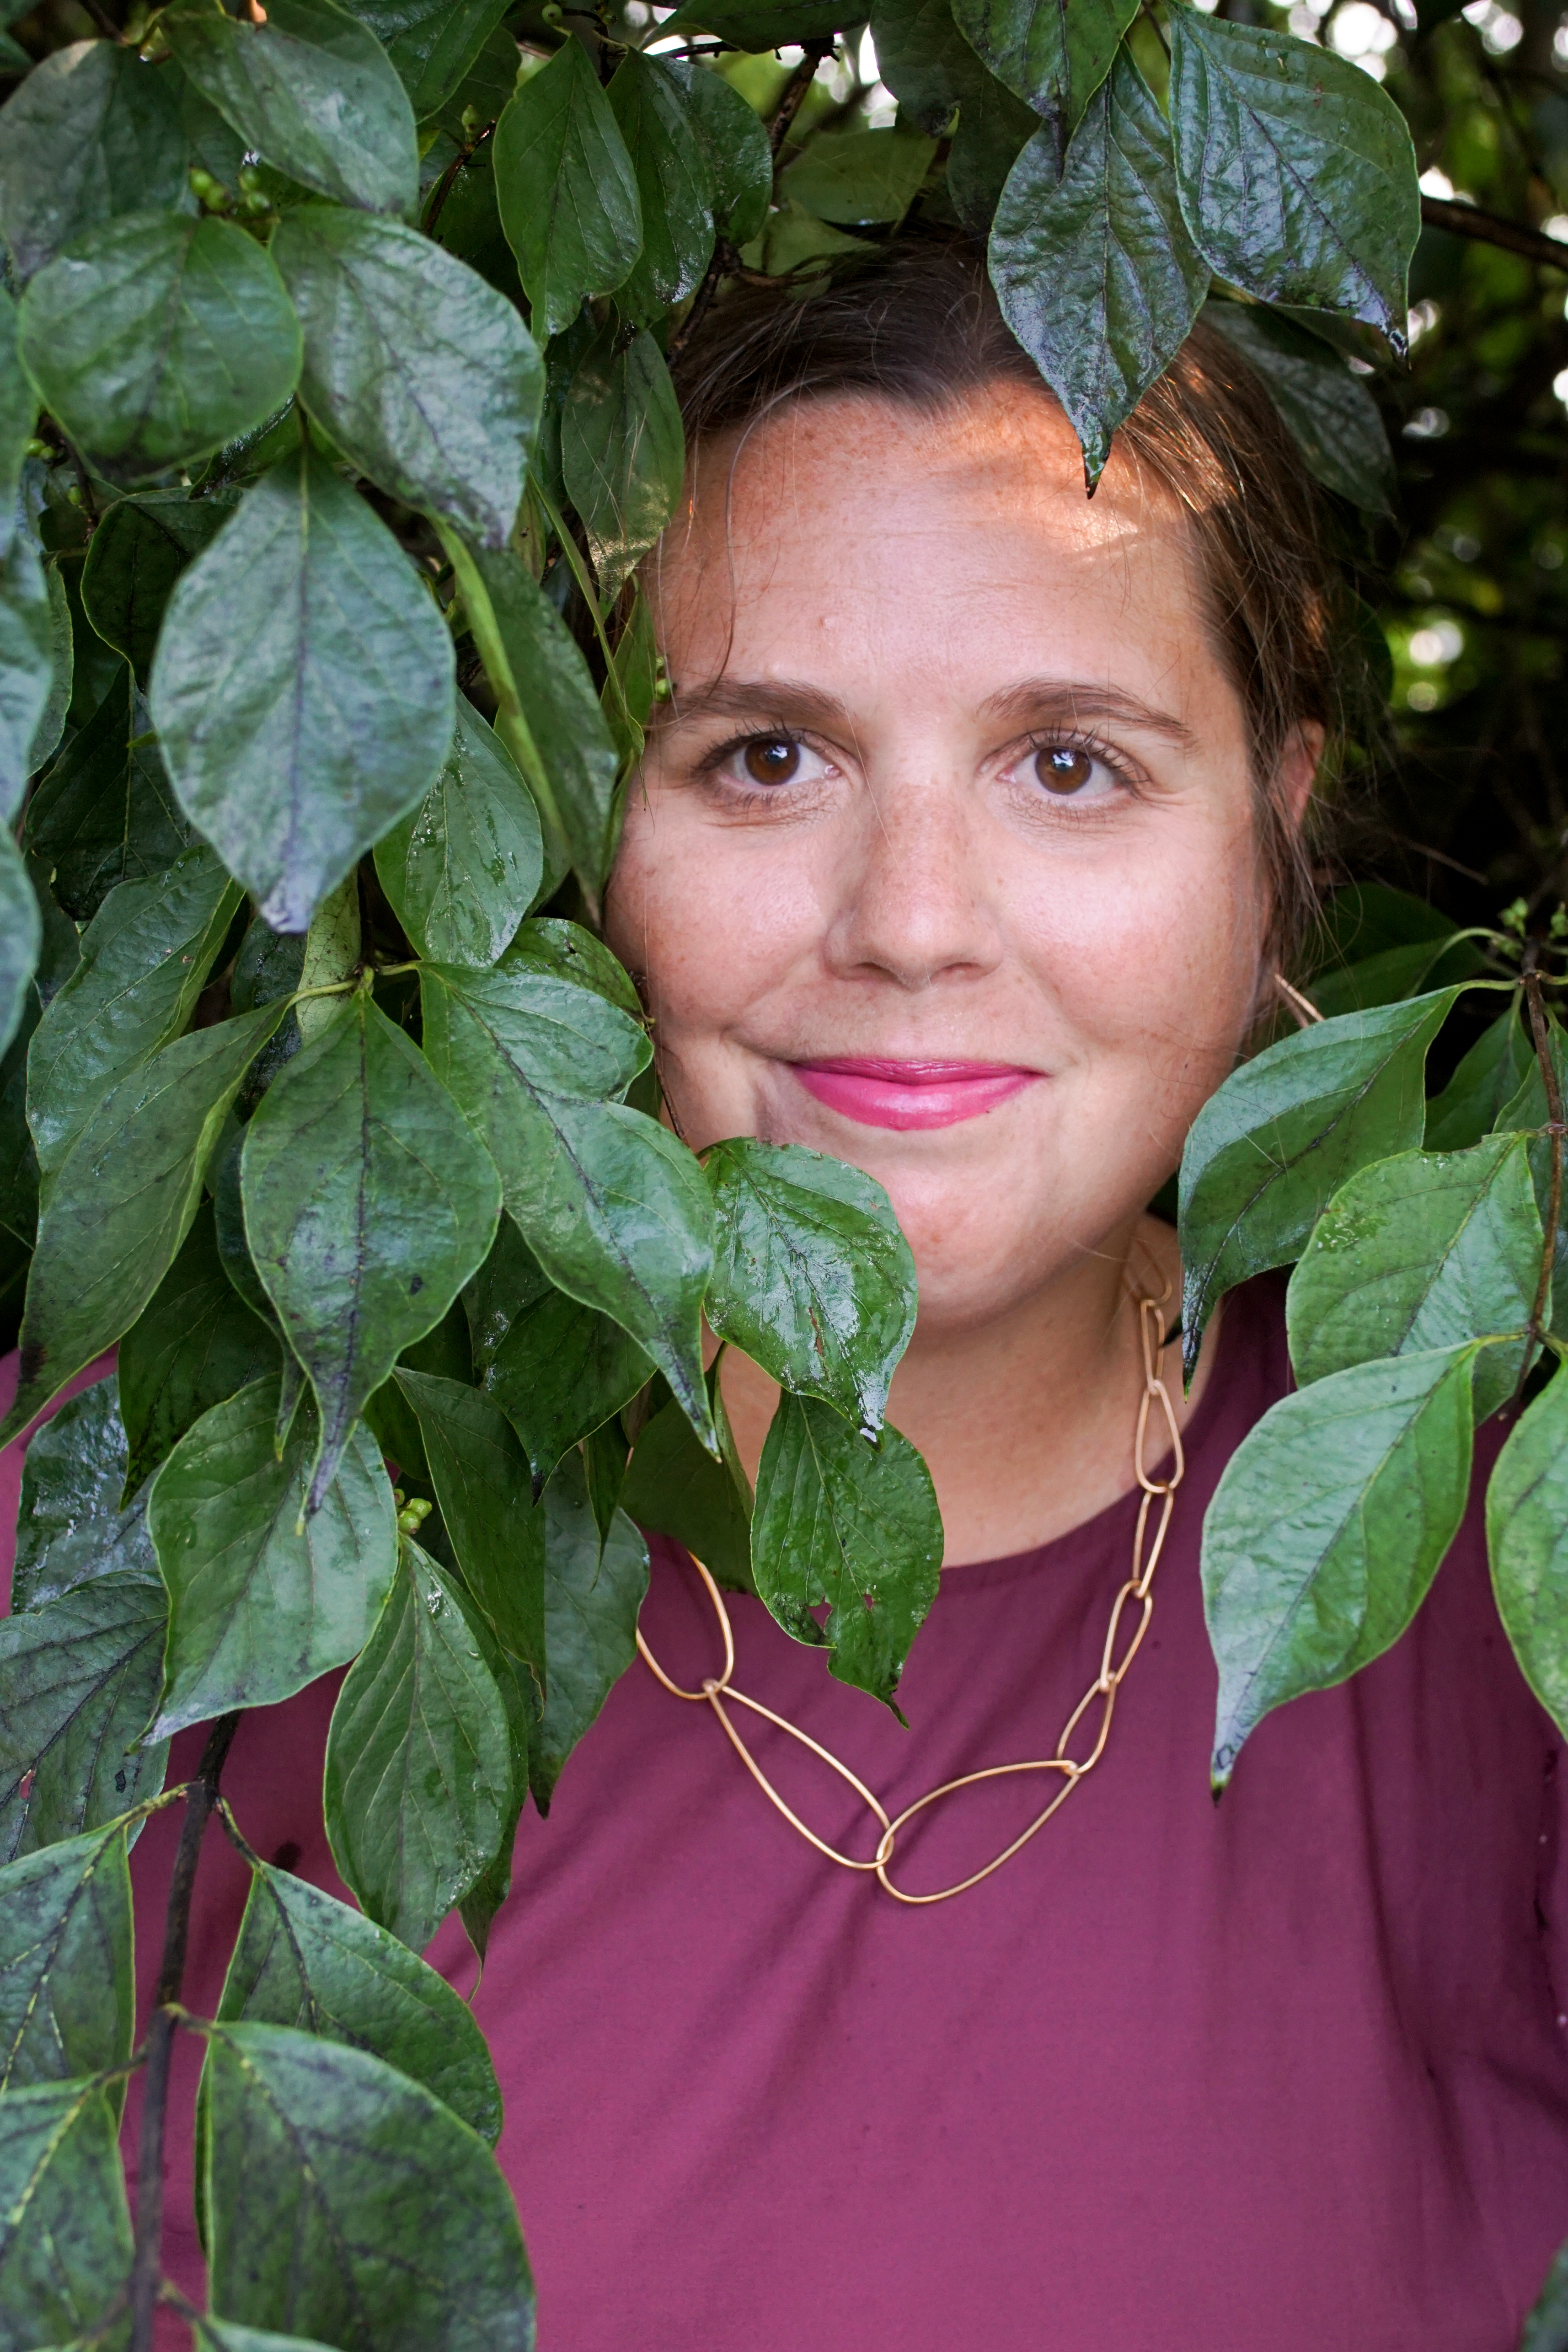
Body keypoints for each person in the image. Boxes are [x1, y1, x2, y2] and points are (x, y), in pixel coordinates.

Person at [6, 233, 1568, 2352]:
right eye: (763, 756)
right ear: (568, 826)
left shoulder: (1501, 1592)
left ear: (1276, 836)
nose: (912, 922)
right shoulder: (139, 1504)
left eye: (1071, 761)